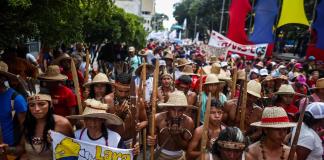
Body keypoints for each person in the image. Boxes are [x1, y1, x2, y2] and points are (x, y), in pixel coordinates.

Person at [0, 91, 74, 159]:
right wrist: (8, 149)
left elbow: (74, 151)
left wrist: (57, 142)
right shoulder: (27, 123)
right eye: (32, 105)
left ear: (50, 104)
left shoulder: (62, 124)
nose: (37, 109)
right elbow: (22, 148)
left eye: (41, 104)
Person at [67, 99, 139, 155]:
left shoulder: (114, 139)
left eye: (97, 119)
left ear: (102, 120)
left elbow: (125, 156)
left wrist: (133, 152)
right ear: (85, 120)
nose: (93, 123)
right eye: (89, 119)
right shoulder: (76, 136)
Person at [147, 91, 195, 159]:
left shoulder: (188, 122)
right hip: (160, 155)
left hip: (179, 157)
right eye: (173, 109)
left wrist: (176, 136)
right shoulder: (157, 118)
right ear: (168, 108)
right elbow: (152, 138)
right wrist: (150, 140)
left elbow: (186, 147)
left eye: (180, 110)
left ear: (184, 110)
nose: (176, 114)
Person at [107, 72, 147, 148]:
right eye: (120, 91)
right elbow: (102, 126)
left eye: (127, 91)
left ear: (131, 88)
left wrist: (140, 126)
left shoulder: (138, 101)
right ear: (115, 86)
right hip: (112, 142)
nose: (123, 95)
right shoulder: (107, 100)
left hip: (131, 142)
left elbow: (145, 121)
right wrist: (117, 116)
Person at [0, 61, 27, 149]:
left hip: (10, 147)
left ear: (3, 79)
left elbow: (25, 126)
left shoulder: (16, 98)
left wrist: (20, 147)